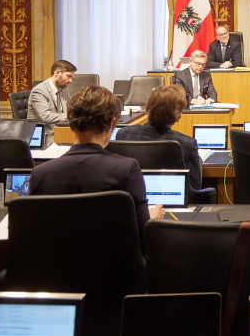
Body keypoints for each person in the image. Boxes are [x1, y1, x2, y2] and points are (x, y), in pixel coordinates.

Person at [29, 86, 163, 248]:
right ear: (111, 124)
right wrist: (154, 220)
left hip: (57, 263)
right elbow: (144, 237)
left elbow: (35, 237)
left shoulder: (40, 174)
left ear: (70, 122)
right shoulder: (127, 170)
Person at [116, 85, 202, 191]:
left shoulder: (123, 134)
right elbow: (194, 188)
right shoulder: (187, 144)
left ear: (147, 109)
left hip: (132, 198)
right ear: (178, 117)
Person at [29, 60, 76, 148]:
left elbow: (72, 108)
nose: (70, 81)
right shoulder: (39, 91)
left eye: (71, 77)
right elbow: (46, 117)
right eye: (68, 76)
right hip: (45, 139)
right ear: (57, 73)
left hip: (61, 134)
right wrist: (72, 115)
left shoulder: (62, 90)